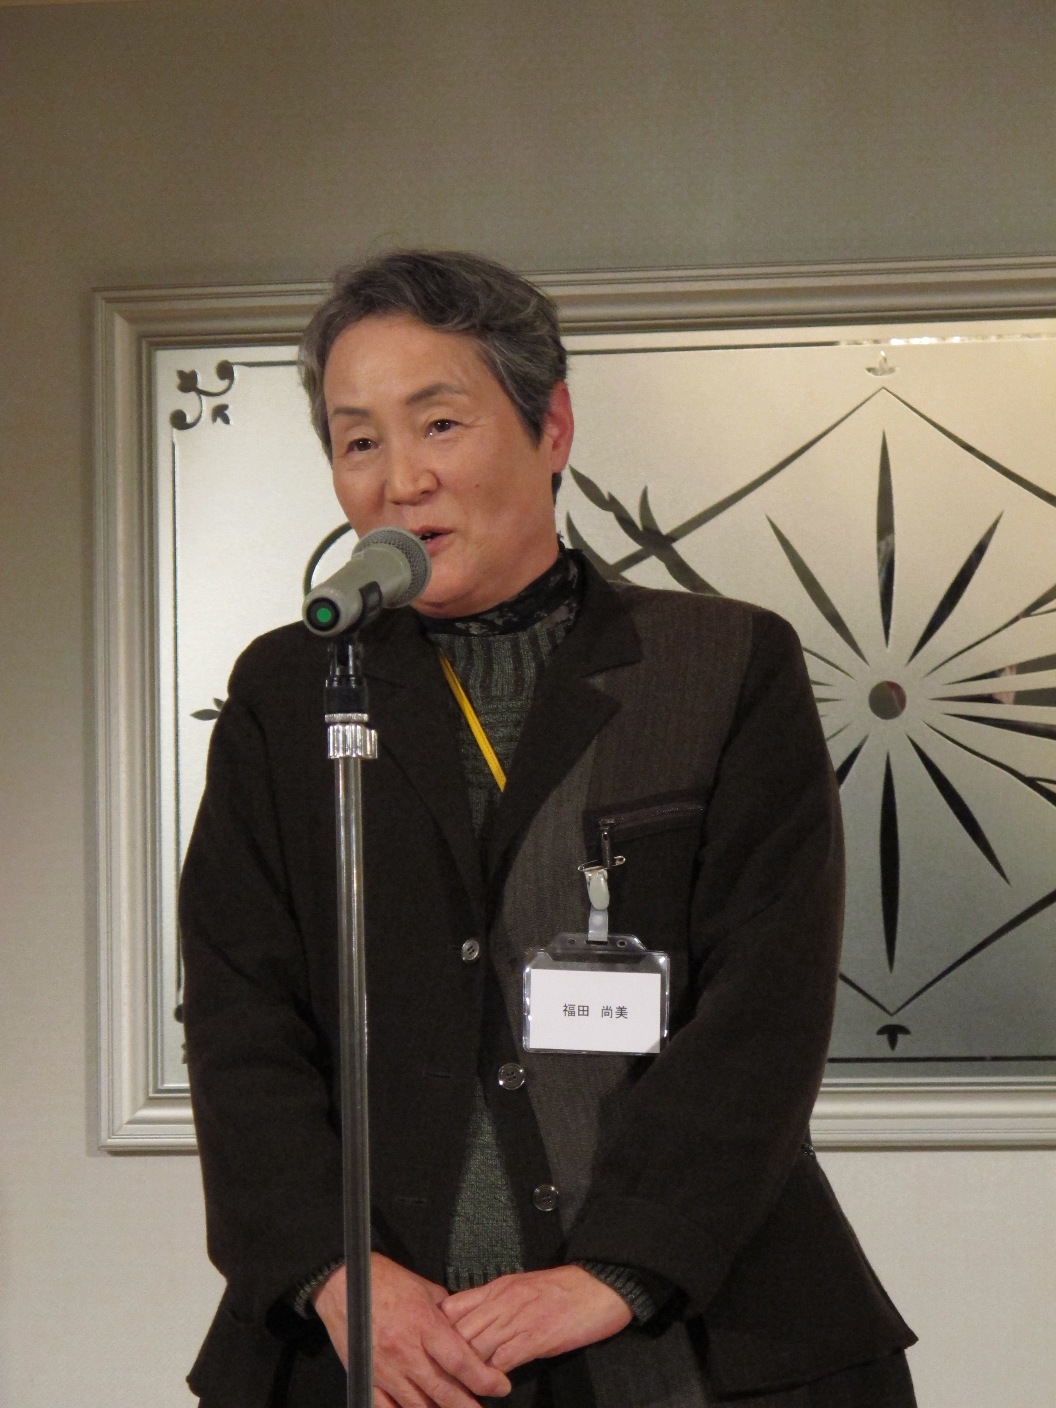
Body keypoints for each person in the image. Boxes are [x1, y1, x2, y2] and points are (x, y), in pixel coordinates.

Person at [180, 250, 917, 1408]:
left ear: (552, 426)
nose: (401, 480)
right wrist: (334, 1274)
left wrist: (618, 1270)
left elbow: (766, 1006)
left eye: (440, 423)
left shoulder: (723, 665)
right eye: (359, 440)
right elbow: (239, 1015)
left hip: (694, 1342)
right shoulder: (290, 692)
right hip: (375, 1351)